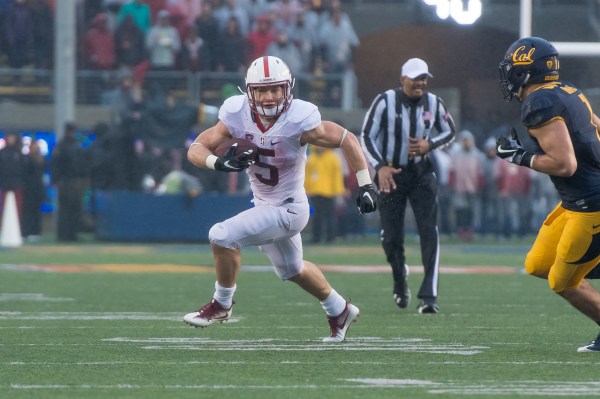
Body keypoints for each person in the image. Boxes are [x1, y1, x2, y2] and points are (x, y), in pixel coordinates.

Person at [183, 56, 377, 343]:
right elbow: (197, 147)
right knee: (292, 270)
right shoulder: (236, 113)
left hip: (289, 209)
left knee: (221, 235)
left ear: (288, 89)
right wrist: (218, 163)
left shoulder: (299, 118)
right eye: (262, 90)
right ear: (249, 92)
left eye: (275, 89)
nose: (269, 96)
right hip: (264, 204)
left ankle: (222, 304)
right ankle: (340, 309)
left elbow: (346, 138)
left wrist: (365, 184)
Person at [496, 36, 600, 352]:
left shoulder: (539, 104)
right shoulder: (568, 91)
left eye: (512, 68)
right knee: (540, 264)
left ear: (524, 72)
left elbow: (565, 164)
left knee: (562, 281)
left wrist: (519, 156)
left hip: (590, 205)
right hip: (575, 202)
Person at [360, 57, 456, 314]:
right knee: (391, 237)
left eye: (424, 78)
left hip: (422, 173)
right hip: (392, 173)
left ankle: (429, 297)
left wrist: (430, 144)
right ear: (403, 79)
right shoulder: (385, 101)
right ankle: (400, 279)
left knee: (429, 231)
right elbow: (366, 135)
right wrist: (380, 167)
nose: (420, 83)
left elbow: (450, 130)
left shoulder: (434, 102)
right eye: (415, 78)